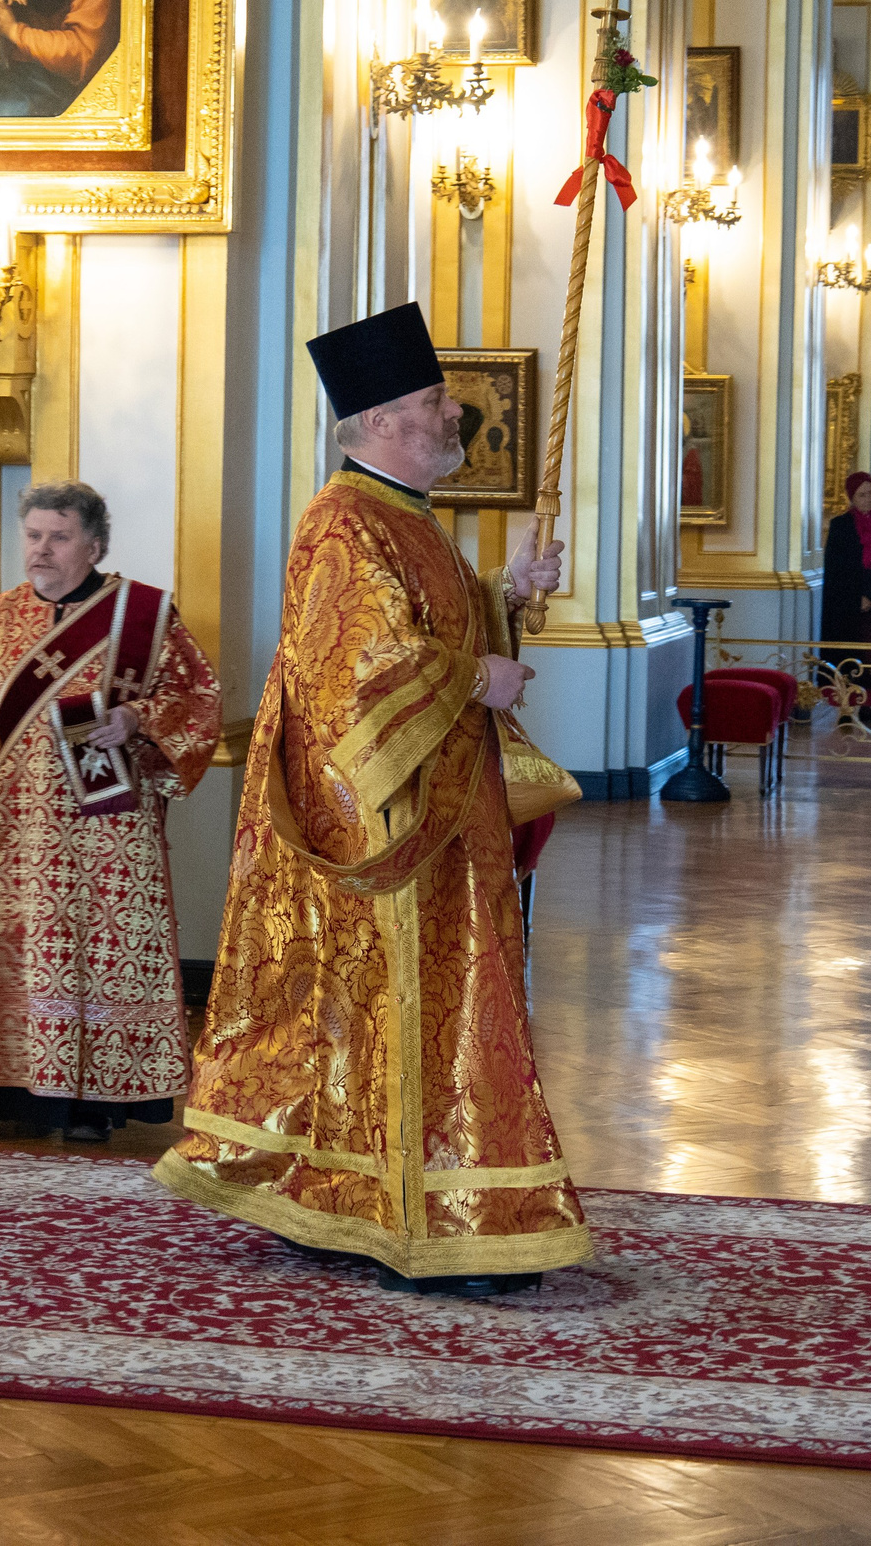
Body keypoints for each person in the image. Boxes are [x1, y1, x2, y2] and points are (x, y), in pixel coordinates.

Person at [155, 302, 588, 1297]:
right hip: (383, 828)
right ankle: (408, 1217)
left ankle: (410, 1202)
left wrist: (502, 591)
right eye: (435, 400)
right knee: (392, 1017)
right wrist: (477, 677)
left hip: (442, 816)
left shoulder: (405, 516)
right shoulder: (343, 521)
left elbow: (426, 622)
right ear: (385, 418)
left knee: (438, 1013)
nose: (453, 414)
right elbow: (353, 669)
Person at [0, 480, 222, 1141]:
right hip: (9, 830)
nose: (41, 550)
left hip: (106, 829)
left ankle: (93, 1102)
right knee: (10, 952)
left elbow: (195, 699)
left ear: (95, 545)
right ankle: (11, 1093)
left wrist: (137, 716)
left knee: (95, 957)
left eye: (59, 537)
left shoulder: (144, 616)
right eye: (33, 535)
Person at [820, 471, 871, 729]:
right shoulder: (840, 526)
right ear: (852, 498)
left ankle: (868, 707)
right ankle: (846, 708)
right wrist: (853, 599)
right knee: (850, 657)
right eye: (862, 495)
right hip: (852, 606)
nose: (868, 499)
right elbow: (835, 571)